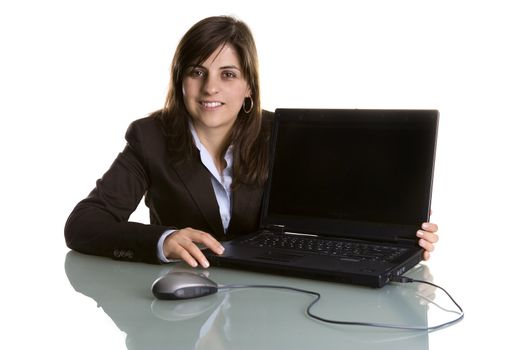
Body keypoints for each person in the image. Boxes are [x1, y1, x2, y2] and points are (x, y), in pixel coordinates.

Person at [64, 15, 439, 269]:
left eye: (228, 74)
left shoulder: (282, 135)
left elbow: (328, 218)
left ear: (248, 89)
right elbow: (83, 225)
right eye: (198, 72)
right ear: (181, 81)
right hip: (182, 305)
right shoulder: (149, 139)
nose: (211, 87)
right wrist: (164, 240)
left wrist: (396, 242)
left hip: (274, 296)